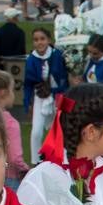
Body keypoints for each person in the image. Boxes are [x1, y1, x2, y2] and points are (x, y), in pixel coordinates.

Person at [23, 27, 69, 161]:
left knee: (59, 128)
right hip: (41, 95)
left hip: (57, 95)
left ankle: (62, 157)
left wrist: (56, 91)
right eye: (36, 40)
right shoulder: (31, 59)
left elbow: (64, 79)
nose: (39, 43)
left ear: (49, 40)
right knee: (36, 131)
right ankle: (35, 160)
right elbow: (28, 83)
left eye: (42, 39)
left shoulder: (57, 55)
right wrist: (27, 102)